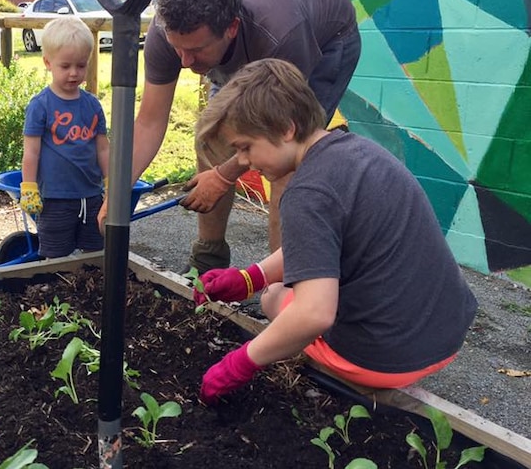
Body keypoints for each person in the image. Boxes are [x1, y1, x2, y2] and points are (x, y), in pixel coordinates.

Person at [192, 58, 478, 404]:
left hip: (381, 361)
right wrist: (249, 278)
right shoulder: (359, 152)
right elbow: (318, 244)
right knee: (278, 287)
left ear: (285, 127)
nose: (244, 161)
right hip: (446, 334)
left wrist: (239, 362)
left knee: (275, 298)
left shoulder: (306, 193)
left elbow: (314, 314)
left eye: (245, 147)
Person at [102, 0, 361, 277]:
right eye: (177, 48)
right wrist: (115, 193)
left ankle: (282, 282)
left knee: (286, 165)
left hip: (326, 39)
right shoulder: (166, 32)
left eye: (195, 50)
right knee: (211, 141)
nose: (184, 62)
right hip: (245, 49)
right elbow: (149, 122)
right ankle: (208, 259)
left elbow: (279, 138)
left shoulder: (282, 32)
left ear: (231, 28)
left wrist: (224, 176)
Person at [20, 16, 110, 258]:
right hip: (55, 199)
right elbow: (32, 151)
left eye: (81, 66)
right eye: (65, 66)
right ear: (48, 63)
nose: (74, 73)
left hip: (92, 196)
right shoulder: (41, 105)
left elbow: (102, 148)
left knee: (95, 254)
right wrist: (29, 186)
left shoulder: (92, 105)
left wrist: (110, 181)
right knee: (56, 258)